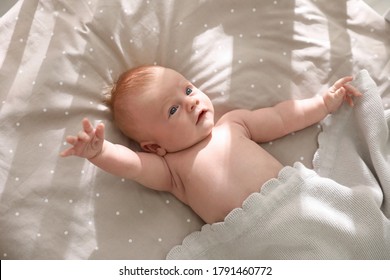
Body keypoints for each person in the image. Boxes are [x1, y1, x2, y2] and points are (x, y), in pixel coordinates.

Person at [60, 65, 362, 224]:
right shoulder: (170, 169)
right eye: (173, 109)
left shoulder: (233, 124)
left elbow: (281, 118)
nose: (191, 102)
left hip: (298, 200)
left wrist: (322, 103)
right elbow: (133, 166)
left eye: (188, 89)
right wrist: (101, 153)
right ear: (153, 147)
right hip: (258, 232)